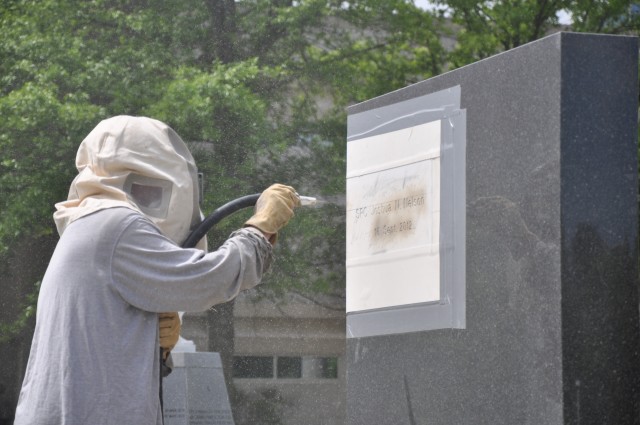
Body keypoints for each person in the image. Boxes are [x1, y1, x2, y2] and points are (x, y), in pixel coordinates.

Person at [13, 115, 300, 425]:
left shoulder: (88, 224)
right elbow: (210, 279)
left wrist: (150, 341)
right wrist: (260, 228)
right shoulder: (117, 224)